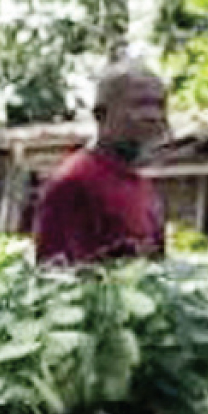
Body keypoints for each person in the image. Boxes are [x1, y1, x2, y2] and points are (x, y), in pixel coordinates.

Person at [32, 60, 170, 265]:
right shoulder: (74, 182)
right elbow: (53, 278)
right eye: (141, 104)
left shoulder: (143, 188)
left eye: (160, 105)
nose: (154, 116)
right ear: (100, 115)